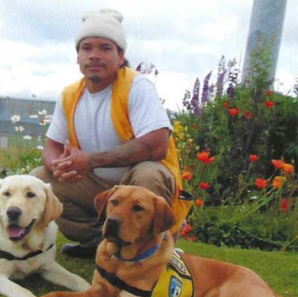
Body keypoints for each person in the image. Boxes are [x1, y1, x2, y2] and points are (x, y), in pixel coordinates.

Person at [31, 9, 191, 258]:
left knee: (149, 173)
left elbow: (157, 145)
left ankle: (148, 250)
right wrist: (59, 165)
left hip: (135, 184)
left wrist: (91, 161)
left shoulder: (137, 86)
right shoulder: (70, 95)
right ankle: (103, 244)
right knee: (40, 180)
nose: (94, 55)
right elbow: (51, 146)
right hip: (98, 187)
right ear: (78, 57)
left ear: (120, 56)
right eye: (86, 48)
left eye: (105, 48)